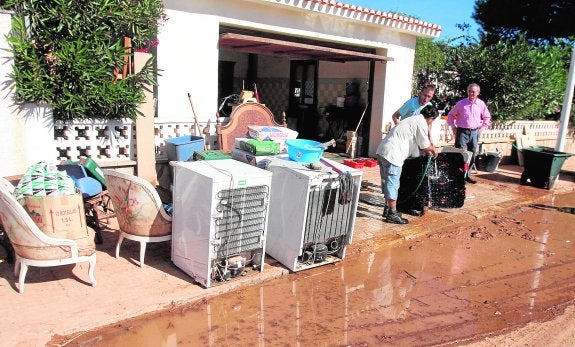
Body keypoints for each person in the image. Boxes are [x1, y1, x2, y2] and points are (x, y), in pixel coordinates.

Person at [376, 104, 439, 224]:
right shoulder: (421, 123)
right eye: (432, 120)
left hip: (383, 151)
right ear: (430, 118)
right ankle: (392, 214)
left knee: (387, 182)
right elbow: (424, 146)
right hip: (392, 155)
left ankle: (388, 209)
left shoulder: (412, 119)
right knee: (393, 184)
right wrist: (434, 150)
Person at [447, 83, 492, 184]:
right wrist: (453, 127)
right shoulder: (461, 103)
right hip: (462, 132)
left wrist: (482, 128)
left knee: (471, 155)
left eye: (473, 91)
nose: (471, 93)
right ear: (467, 92)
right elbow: (450, 115)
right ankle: (459, 176)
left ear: (478, 93)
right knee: (461, 155)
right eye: (469, 91)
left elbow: (487, 117)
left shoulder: (481, 104)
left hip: (475, 132)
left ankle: (467, 175)